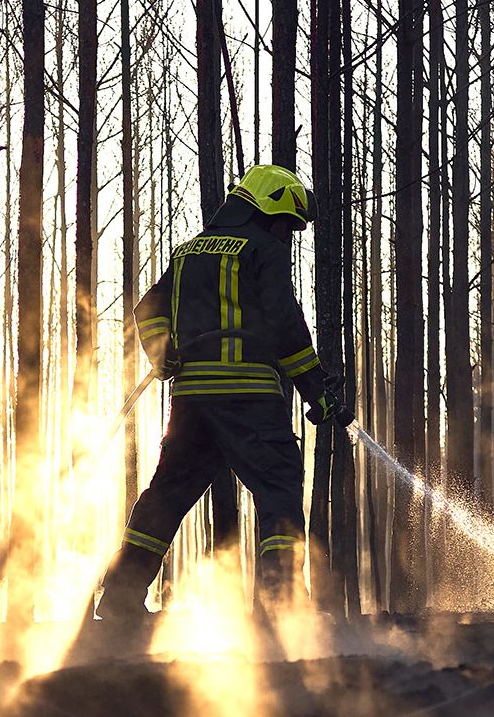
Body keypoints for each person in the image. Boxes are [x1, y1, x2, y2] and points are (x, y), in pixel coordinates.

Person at [95, 164, 353, 621]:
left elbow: (148, 308)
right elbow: (284, 323)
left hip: (192, 402)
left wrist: (162, 353)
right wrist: (317, 390)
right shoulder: (263, 250)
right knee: (278, 492)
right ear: (268, 207)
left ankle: (119, 596)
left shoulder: (189, 252)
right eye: (287, 225)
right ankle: (279, 606)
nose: (287, 236)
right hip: (249, 397)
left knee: (167, 494)